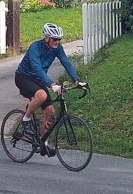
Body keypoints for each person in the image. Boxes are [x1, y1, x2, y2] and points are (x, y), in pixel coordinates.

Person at [14, 22, 83, 156]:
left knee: (50, 111)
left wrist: (76, 80)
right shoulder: (35, 47)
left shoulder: (57, 48)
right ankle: (26, 119)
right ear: (46, 38)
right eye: (55, 39)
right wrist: (51, 84)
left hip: (39, 80)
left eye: (59, 39)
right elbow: (37, 68)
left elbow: (66, 61)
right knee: (41, 96)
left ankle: (43, 143)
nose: (57, 42)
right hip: (24, 78)